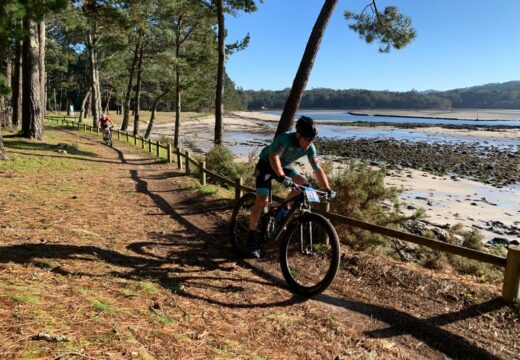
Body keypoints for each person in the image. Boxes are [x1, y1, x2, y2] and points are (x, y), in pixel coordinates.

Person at [247, 116, 336, 258]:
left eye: (312, 140)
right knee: (262, 201)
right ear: (298, 134)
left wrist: (327, 188)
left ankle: (283, 209)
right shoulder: (285, 139)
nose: (309, 143)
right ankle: (251, 240)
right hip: (266, 165)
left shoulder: (309, 147)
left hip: (283, 167)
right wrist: (282, 177)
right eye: (307, 139)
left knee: (304, 184)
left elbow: (317, 168)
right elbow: (273, 157)